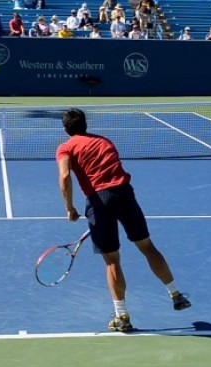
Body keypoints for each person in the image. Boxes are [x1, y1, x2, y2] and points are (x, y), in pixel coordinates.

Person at [55, 109, 192, 332]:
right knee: (147, 247)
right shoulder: (104, 141)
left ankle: (122, 316)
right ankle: (176, 294)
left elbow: (64, 176)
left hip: (98, 200)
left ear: (65, 129)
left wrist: (70, 208)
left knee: (112, 261)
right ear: (85, 125)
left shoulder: (65, 147)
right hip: (124, 194)